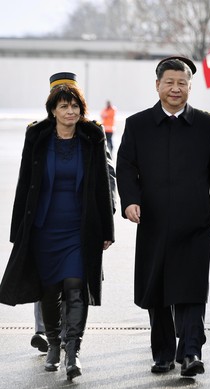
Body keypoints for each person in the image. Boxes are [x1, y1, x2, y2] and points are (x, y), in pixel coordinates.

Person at [116, 56, 210, 377]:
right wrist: (130, 201)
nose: (175, 89)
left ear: (190, 87)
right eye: (169, 82)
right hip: (152, 221)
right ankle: (163, 354)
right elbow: (125, 166)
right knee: (157, 290)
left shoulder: (208, 126)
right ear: (157, 86)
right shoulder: (138, 124)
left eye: (182, 83)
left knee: (192, 287)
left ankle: (191, 351)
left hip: (195, 221)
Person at [0, 72, 116, 380]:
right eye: (64, 106)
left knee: (76, 287)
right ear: (53, 110)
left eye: (75, 106)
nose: (70, 112)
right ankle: (53, 343)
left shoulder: (93, 136)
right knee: (49, 290)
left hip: (80, 229)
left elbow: (102, 185)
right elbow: (25, 183)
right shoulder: (37, 136)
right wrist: (18, 232)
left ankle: (73, 350)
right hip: (44, 228)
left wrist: (107, 229)